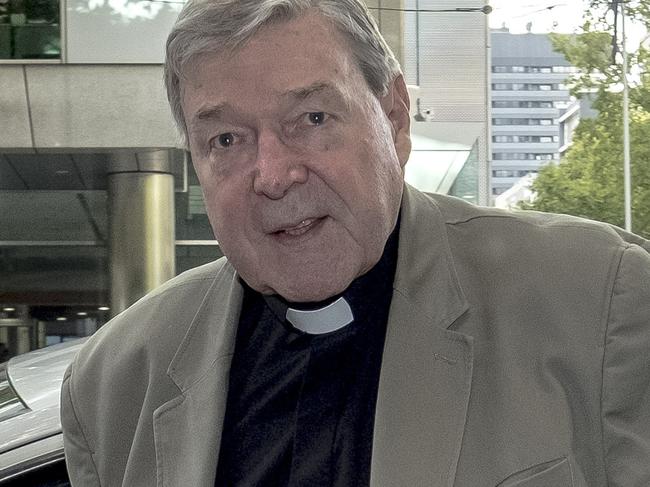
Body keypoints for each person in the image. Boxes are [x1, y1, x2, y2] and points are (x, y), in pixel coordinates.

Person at [61, 0, 650, 485]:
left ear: (394, 118)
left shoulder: (598, 302)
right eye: (226, 139)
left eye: (312, 118)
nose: (273, 174)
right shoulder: (113, 384)